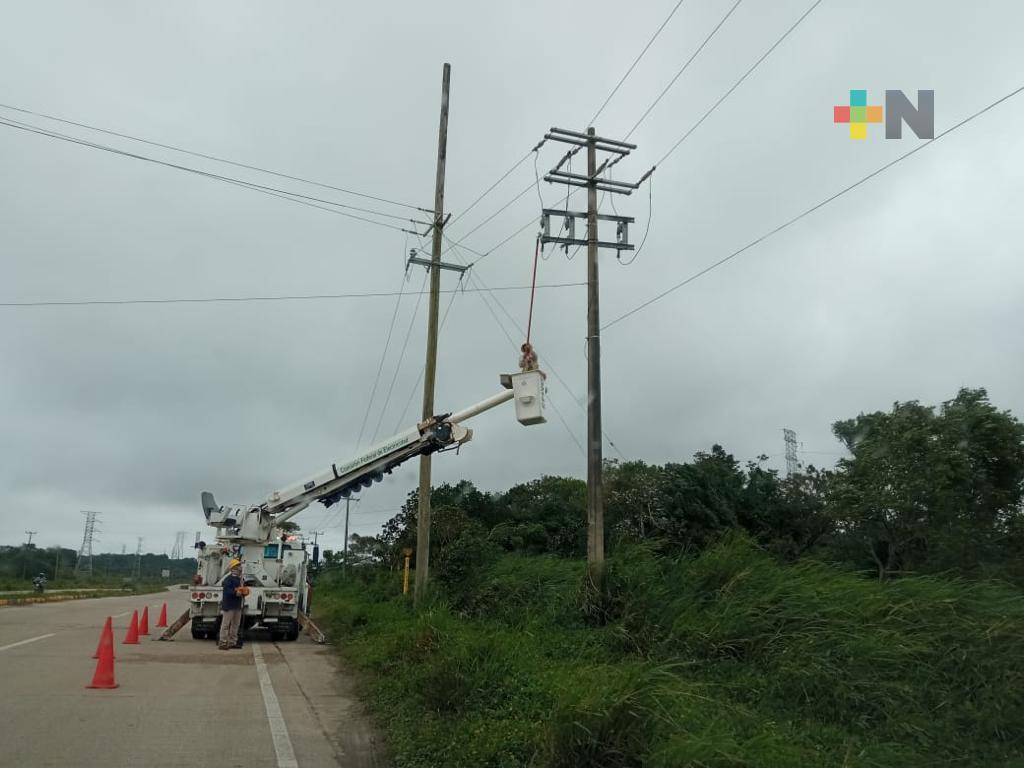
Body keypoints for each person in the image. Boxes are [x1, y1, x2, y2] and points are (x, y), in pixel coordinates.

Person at [218, 560, 245, 650]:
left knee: (235, 625)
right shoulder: (228, 579)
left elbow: (241, 590)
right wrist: (235, 592)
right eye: (237, 566)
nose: (239, 568)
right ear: (233, 568)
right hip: (229, 605)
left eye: (239, 566)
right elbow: (227, 591)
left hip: (237, 605)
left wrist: (244, 592)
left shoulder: (240, 579)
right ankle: (222, 642)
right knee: (226, 625)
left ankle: (233, 642)